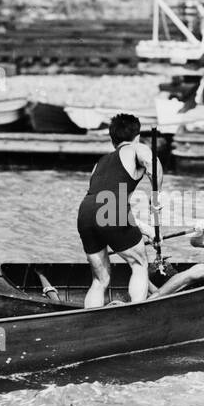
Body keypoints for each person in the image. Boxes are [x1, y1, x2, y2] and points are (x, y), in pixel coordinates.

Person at [76, 113, 160, 308]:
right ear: (137, 137)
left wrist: (146, 230)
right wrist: (157, 197)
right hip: (110, 209)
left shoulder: (100, 163)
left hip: (85, 212)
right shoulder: (136, 148)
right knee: (139, 265)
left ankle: (89, 322)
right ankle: (136, 311)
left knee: (100, 280)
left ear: (112, 140)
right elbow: (151, 164)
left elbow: (104, 206)